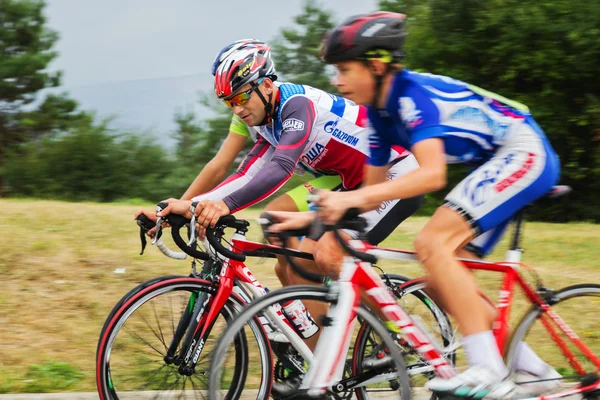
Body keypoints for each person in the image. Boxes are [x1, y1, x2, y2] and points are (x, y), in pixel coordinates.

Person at [300, 11, 561, 398]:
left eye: (344, 69)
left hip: (523, 151)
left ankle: (488, 369)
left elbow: (432, 174)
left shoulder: (409, 96)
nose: (336, 81)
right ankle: (536, 371)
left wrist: (353, 198)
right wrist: (312, 221)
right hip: (495, 161)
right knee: (442, 281)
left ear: (376, 65)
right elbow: (372, 191)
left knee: (431, 244)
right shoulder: (378, 114)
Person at [156, 39, 423, 363]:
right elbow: (246, 173)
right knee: (293, 246)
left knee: (327, 253)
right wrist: (188, 206)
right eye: (229, 103)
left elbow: (281, 168)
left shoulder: (296, 105)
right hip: (353, 182)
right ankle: (318, 352)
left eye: (241, 97)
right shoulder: (266, 121)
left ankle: (399, 332)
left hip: (396, 174)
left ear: (266, 85)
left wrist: (223, 206)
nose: (238, 108)